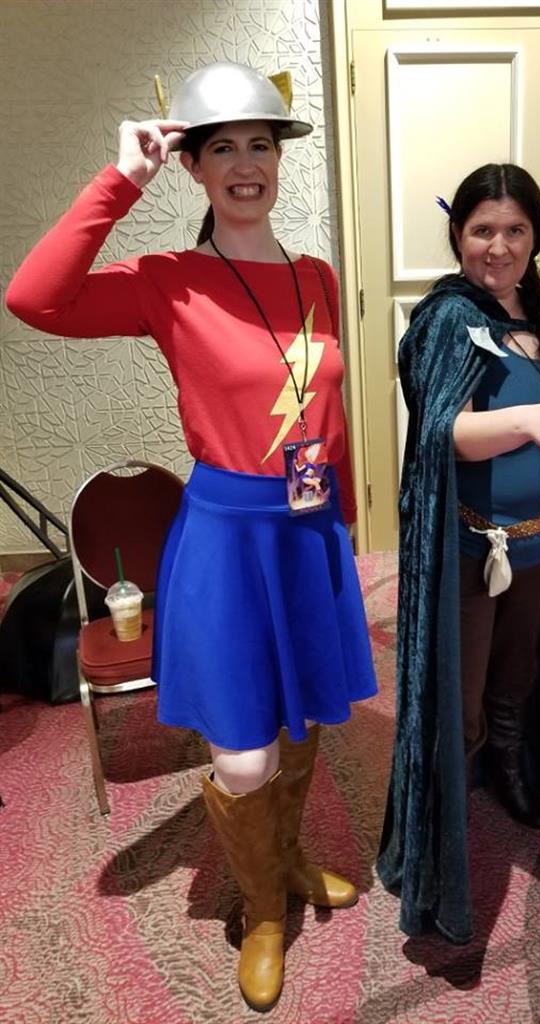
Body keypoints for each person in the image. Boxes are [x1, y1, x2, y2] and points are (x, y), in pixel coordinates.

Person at [6, 61, 377, 1012]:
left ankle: (287, 859)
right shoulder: (170, 283)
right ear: (195, 167)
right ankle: (262, 910)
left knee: (303, 721)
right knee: (243, 751)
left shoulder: (317, 277)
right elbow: (34, 298)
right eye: (224, 150)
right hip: (226, 538)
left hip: (306, 533)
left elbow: (327, 413)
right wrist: (119, 180)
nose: (247, 165)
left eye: (261, 145)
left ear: (279, 160)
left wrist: (339, 522)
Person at [377, 163, 540, 944]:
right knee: (461, 691)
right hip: (471, 544)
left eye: (516, 230)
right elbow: (440, 431)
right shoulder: (446, 321)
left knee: (521, 671)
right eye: (483, 229)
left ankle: (513, 764)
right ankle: (453, 813)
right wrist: (531, 419)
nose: (500, 246)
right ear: (458, 234)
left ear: (536, 237)